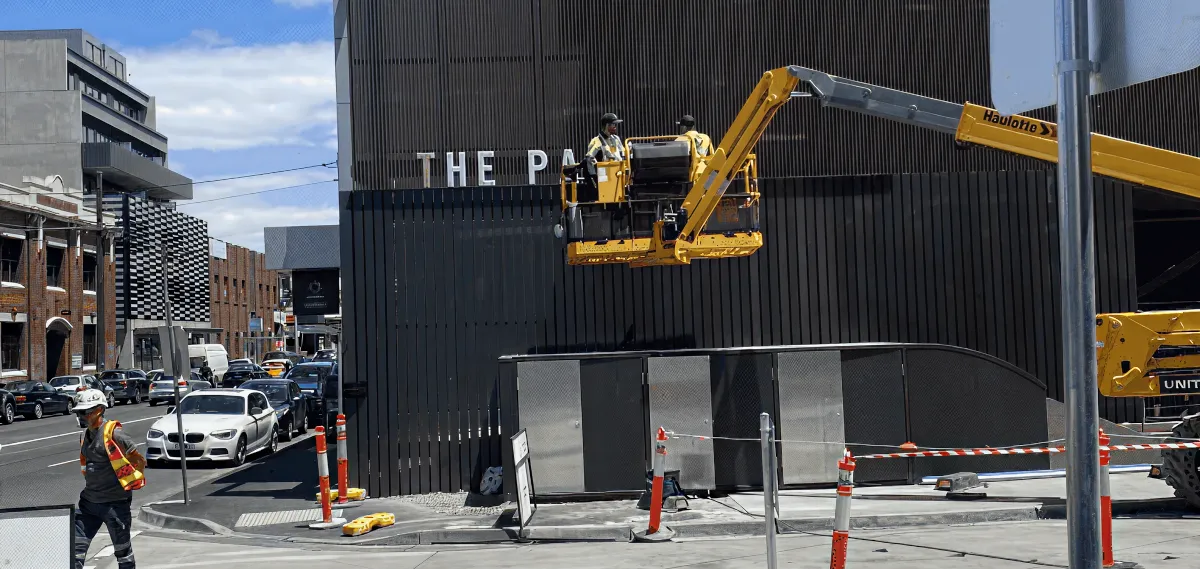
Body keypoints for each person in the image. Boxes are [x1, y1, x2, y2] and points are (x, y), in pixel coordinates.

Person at [73, 388, 146, 569]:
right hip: (89, 503)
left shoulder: (115, 434)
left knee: (123, 554)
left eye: (85, 412)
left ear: (100, 410)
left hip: (115, 505)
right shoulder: (85, 435)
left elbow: (138, 460)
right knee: (74, 553)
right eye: (79, 412)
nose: (81, 416)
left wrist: (128, 481)